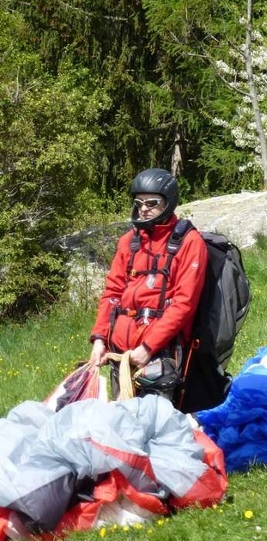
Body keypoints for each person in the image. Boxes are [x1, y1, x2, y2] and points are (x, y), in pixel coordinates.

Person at [89, 168, 208, 402]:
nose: (143, 209)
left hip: (159, 355)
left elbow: (184, 304)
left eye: (152, 203)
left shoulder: (190, 243)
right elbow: (112, 293)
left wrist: (148, 347)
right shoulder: (129, 242)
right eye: (139, 202)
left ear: (168, 202)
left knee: (153, 429)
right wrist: (100, 339)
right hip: (121, 354)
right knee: (121, 427)